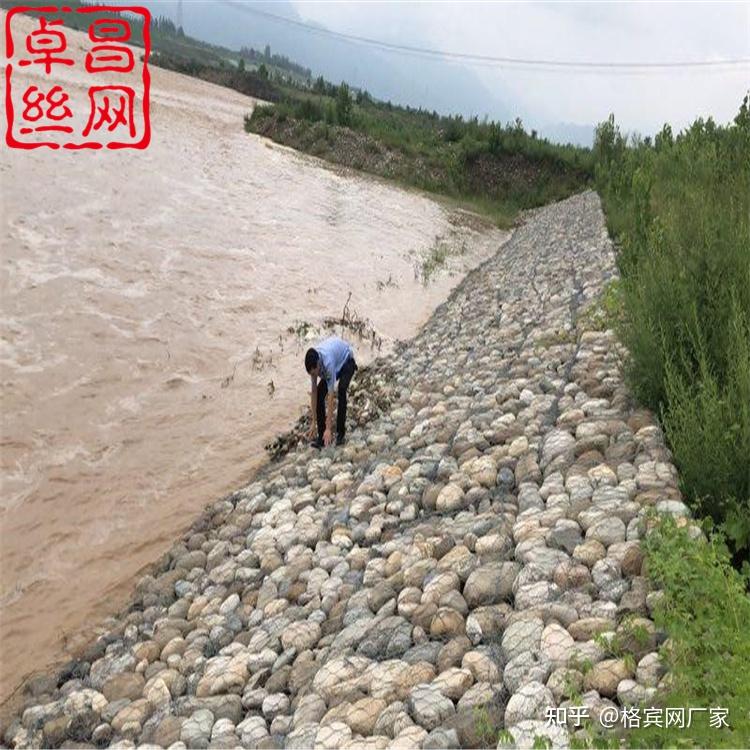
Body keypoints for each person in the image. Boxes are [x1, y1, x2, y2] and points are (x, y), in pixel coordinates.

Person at [304, 336, 357, 447]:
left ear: (318, 364)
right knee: (319, 394)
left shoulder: (328, 362)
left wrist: (329, 428)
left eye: (315, 373)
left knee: (342, 390)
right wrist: (314, 422)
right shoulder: (314, 365)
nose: (314, 376)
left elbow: (331, 397)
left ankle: (340, 435)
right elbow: (314, 392)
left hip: (347, 362)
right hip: (335, 364)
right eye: (312, 374)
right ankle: (321, 437)